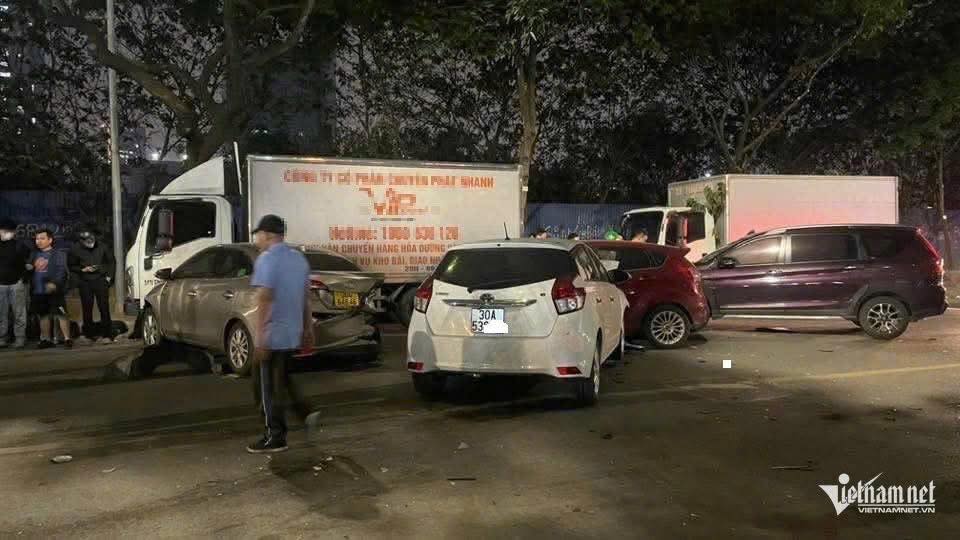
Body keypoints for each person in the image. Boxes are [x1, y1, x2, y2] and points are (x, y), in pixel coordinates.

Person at [247, 214, 314, 454]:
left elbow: (265, 298)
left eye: (258, 234)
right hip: (291, 333)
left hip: (272, 334)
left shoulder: (267, 259)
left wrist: (260, 338)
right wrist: (308, 328)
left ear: (267, 234)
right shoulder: (299, 259)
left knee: (264, 389)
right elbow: (305, 297)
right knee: (279, 383)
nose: (257, 239)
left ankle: (274, 436)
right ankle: (301, 415)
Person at [69, 226, 115, 343]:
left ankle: (107, 335)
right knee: (87, 308)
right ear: (81, 241)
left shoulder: (103, 246)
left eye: (91, 239)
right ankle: (89, 335)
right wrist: (82, 269)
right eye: (86, 241)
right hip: (85, 281)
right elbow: (71, 265)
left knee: (104, 307)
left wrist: (109, 278)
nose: (89, 242)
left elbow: (111, 262)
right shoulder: (75, 249)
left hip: (101, 279)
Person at [30, 229, 73, 349]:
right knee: (43, 315)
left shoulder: (58, 254)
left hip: (55, 290)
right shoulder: (34, 254)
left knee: (61, 314)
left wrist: (55, 283)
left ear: (50, 240)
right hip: (39, 291)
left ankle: (67, 339)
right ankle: (46, 340)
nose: (39, 241)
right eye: (37, 239)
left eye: (42, 238)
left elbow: (62, 271)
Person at [0, 218, 29, 349]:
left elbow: (29, 262)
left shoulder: (20, 246)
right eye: (1, 230)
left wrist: (22, 278)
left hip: (16, 284)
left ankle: (20, 338)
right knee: (1, 314)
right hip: (0, 285)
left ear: (12, 232)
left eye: (6, 231)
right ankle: (2, 338)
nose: (3, 233)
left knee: (19, 313)